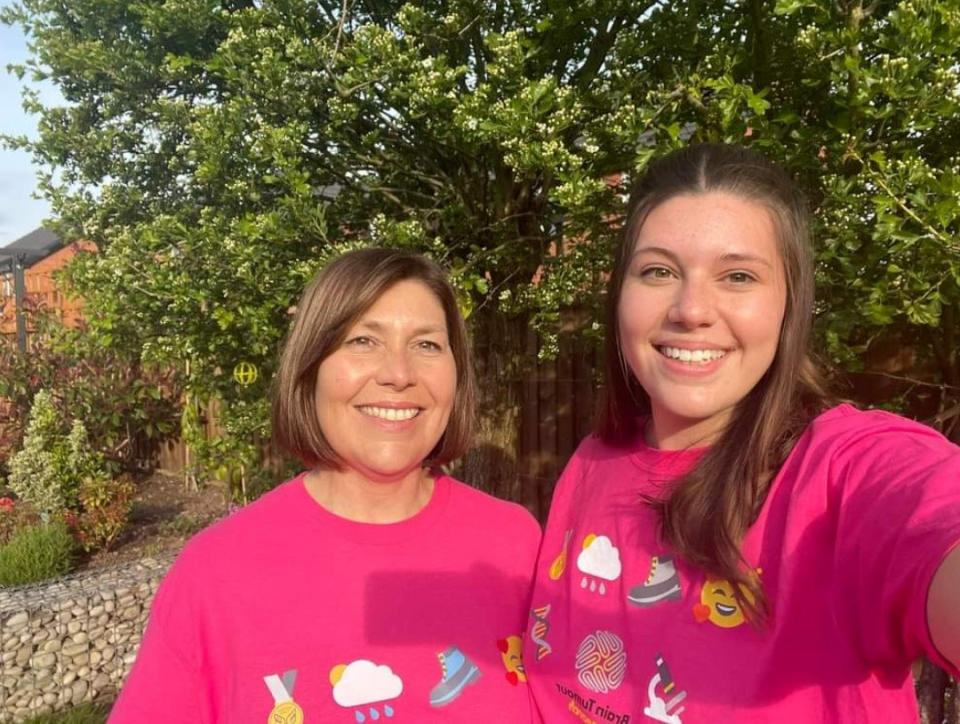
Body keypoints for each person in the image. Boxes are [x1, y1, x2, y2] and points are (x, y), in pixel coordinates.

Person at [524, 144, 960, 722]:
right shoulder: (592, 462)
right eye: (658, 270)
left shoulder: (843, 473)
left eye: (738, 276)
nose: (691, 309)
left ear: (790, 304)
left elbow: (931, 514)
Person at [111, 248, 541, 723]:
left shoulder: (518, 546)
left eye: (426, 345)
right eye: (362, 341)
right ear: (310, 366)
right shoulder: (215, 574)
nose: (398, 374)